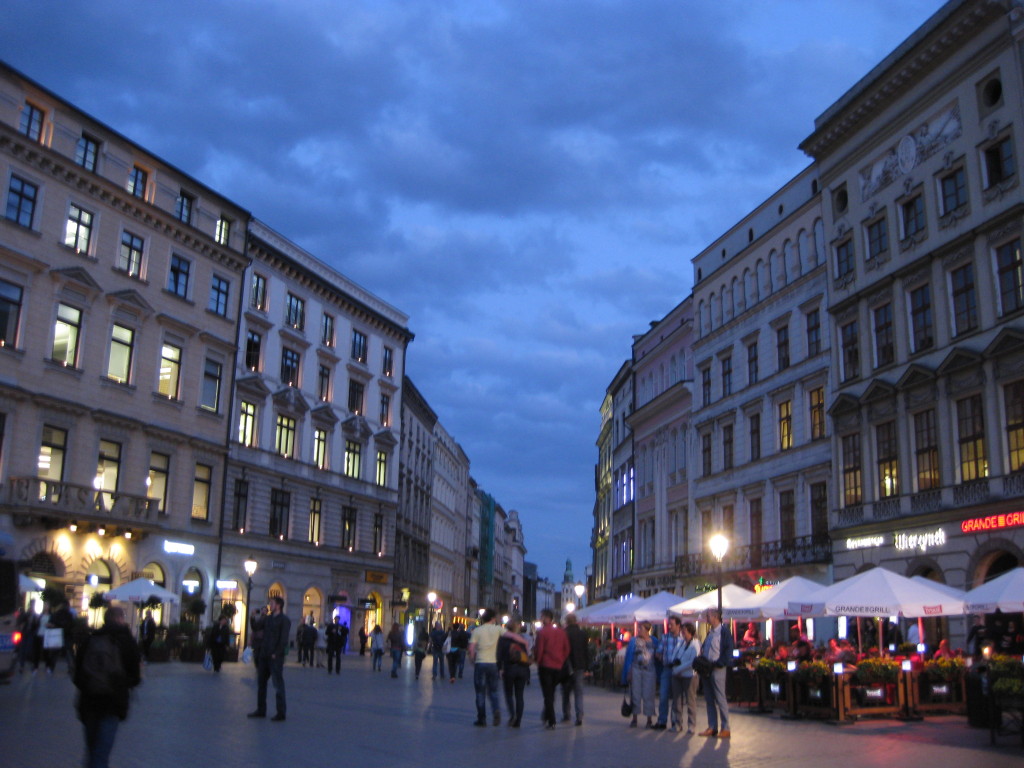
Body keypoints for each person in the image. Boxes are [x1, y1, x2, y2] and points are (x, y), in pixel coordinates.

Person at [74, 605, 142, 768]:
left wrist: (89, 684)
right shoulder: (127, 641)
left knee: (91, 750)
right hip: (113, 702)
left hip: (89, 701)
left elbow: (77, 672)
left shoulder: (91, 638)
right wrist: (122, 683)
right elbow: (135, 677)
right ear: (120, 619)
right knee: (101, 753)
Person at [248, 596, 290, 721]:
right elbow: (256, 627)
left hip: (275, 657)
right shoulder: (267, 619)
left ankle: (281, 712)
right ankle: (261, 709)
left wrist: (276, 653)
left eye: (271, 603)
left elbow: (283, 639)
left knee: (278, 684)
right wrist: (252, 617)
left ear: (278, 605)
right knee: (261, 683)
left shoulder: (284, 620)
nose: (269, 605)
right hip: (264, 654)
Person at [698, 608, 733, 739]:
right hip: (706, 668)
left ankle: (726, 728)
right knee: (709, 699)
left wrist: (720, 663)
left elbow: (728, 649)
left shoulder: (723, 632)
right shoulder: (710, 632)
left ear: (715, 617)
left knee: (720, 698)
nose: (706, 618)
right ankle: (712, 726)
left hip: (717, 668)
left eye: (708, 616)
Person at [534, 608, 570, 730]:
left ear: (546, 618)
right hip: (558, 666)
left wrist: (538, 662)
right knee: (551, 691)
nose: (541, 619)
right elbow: (567, 649)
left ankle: (551, 719)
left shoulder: (542, 632)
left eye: (542, 616)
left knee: (547, 694)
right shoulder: (561, 632)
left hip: (546, 665)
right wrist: (561, 659)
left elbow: (539, 650)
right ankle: (547, 715)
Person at [468, 609, 505, 726]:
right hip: (493, 664)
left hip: (480, 663)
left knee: (480, 692)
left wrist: (472, 659)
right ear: (493, 618)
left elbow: (471, 649)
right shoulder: (498, 629)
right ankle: (496, 710)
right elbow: (509, 636)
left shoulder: (477, 631)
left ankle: (482, 718)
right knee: (493, 691)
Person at [622, 620, 660, 728]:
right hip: (636, 669)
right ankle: (634, 718)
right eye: (638, 628)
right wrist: (628, 671)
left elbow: (658, 654)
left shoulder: (654, 641)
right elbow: (629, 657)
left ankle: (649, 719)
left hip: (649, 670)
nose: (638, 630)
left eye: (641, 628)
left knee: (649, 694)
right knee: (635, 693)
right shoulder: (634, 640)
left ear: (647, 630)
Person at [497, 617, 531, 727]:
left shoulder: (502, 639)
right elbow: (526, 654)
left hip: (509, 669)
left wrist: (500, 669)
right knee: (519, 695)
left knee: (508, 694)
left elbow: (499, 655)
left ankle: (512, 715)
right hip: (522, 669)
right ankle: (518, 720)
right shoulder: (521, 639)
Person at [667, 621, 699, 734]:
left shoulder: (695, 644)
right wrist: (674, 665)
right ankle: (677, 723)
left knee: (690, 700)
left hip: (689, 675)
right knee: (677, 700)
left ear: (690, 632)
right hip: (677, 675)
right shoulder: (680, 643)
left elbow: (692, 661)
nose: (682, 633)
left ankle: (691, 725)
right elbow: (674, 656)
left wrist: (679, 669)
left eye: (684, 631)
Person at [654, 616, 683, 730]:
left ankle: (676, 721)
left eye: (672, 624)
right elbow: (658, 652)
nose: (669, 626)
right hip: (667, 668)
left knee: (677, 697)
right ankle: (662, 721)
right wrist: (661, 657)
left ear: (678, 625)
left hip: (678, 670)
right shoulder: (665, 637)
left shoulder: (683, 638)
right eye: (669, 624)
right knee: (663, 695)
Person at [562, 613, 588, 726]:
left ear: (567, 622)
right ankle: (579, 715)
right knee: (579, 692)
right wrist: (587, 666)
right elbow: (586, 651)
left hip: (566, 666)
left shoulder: (564, 633)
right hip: (580, 666)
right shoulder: (582, 633)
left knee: (566, 692)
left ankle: (567, 714)